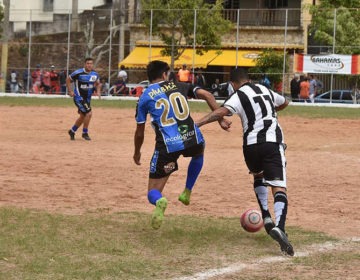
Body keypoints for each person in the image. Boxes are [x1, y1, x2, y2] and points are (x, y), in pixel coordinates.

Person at [195, 67, 294, 256]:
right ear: (248, 79)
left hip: (250, 146)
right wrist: (271, 110)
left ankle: (265, 215)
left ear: (232, 84)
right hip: (272, 142)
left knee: (258, 175)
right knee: (278, 186)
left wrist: (197, 123)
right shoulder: (265, 90)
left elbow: (221, 112)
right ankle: (280, 226)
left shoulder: (237, 96)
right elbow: (285, 102)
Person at [133, 60, 229, 230]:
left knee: (152, 192)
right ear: (164, 74)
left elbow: (139, 131)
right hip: (192, 137)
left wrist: (137, 152)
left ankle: (159, 201)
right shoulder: (179, 86)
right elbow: (208, 95)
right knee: (199, 153)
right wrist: (220, 119)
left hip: (167, 145)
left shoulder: (145, 96)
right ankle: (187, 190)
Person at [67, 57, 101, 141]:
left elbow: (97, 83)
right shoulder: (78, 73)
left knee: (83, 116)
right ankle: (85, 133)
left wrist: (98, 91)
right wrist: (70, 91)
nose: (89, 65)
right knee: (89, 113)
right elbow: (68, 79)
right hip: (79, 97)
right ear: (84, 64)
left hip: (87, 99)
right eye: (88, 63)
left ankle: (72, 131)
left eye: (91, 63)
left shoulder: (94, 74)